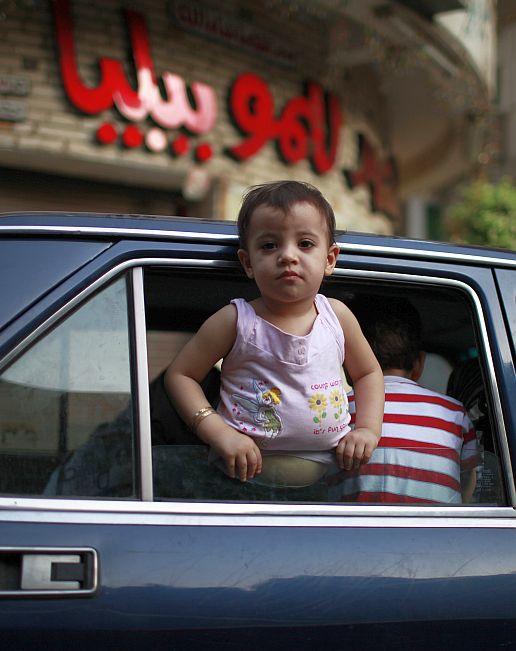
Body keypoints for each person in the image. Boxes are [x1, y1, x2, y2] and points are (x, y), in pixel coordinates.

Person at [164, 180, 384, 487]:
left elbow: (369, 373)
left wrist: (368, 430)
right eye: (269, 245)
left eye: (305, 244)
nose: (288, 256)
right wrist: (218, 432)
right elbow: (180, 375)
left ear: (330, 259)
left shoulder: (338, 317)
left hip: (330, 482)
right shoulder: (235, 320)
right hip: (237, 482)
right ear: (248, 262)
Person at [328, 297, 481, 504]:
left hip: (352, 532)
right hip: (439, 533)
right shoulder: (455, 413)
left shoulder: (337, 410)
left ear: (349, 362)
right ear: (419, 364)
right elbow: (470, 479)